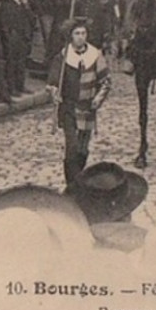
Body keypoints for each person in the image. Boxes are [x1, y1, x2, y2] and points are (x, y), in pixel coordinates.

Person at [47, 17, 112, 187]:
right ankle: (72, 185)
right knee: (72, 148)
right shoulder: (62, 57)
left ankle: (79, 178)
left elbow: (105, 81)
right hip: (68, 107)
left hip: (88, 108)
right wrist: (54, 92)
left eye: (83, 33)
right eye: (77, 33)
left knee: (83, 150)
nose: (81, 37)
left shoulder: (95, 55)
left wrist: (98, 98)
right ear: (70, 36)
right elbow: (53, 81)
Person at [0, 0, 36, 98]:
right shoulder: (7, 5)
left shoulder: (25, 5)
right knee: (11, 63)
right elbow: (4, 23)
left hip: (23, 37)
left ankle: (21, 85)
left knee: (21, 63)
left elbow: (32, 19)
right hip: (12, 37)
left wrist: (27, 7)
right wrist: (8, 37)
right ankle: (12, 88)